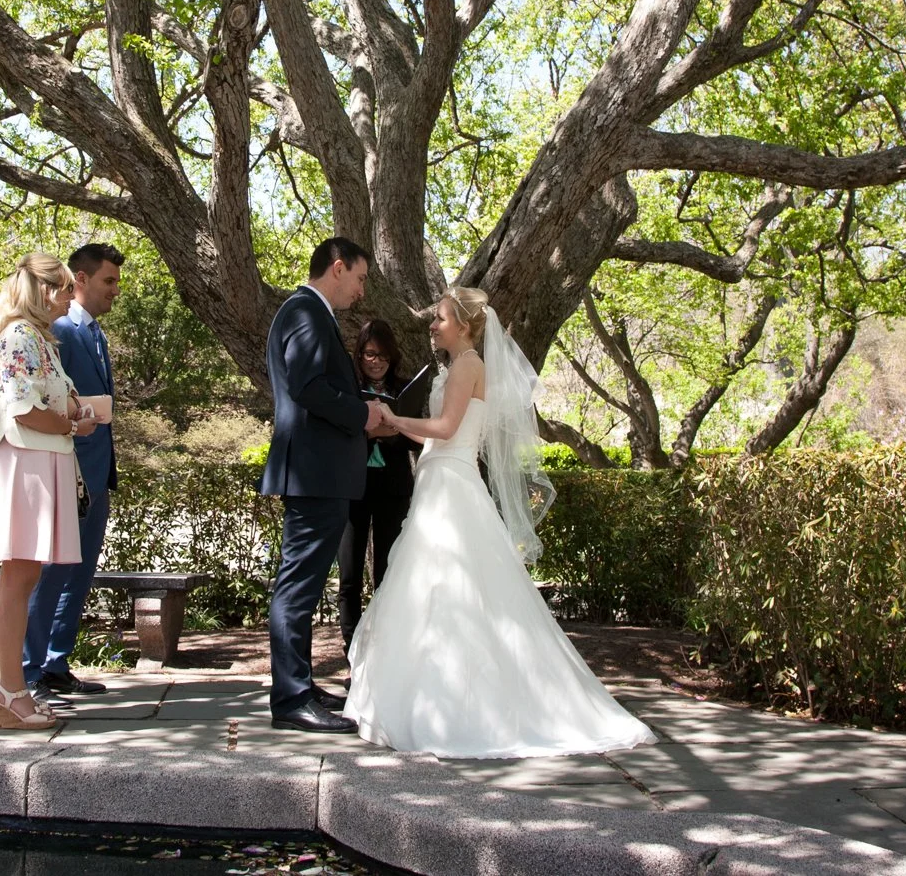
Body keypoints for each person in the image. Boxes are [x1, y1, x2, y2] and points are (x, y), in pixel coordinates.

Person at [344, 287, 655, 758]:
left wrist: (391, 414)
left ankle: (456, 706)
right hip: (439, 479)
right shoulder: (457, 366)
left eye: (441, 318)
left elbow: (446, 430)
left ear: (465, 326)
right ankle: (432, 694)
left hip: (451, 484)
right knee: (434, 590)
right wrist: (388, 424)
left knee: (449, 590)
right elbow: (436, 427)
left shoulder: (469, 365)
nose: (433, 324)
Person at [0, 252, 99, 730]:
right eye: (62, 287)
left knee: (24, 577)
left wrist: (75, 416)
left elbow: (54, 401)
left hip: (40, 464)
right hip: (25, 465)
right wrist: (71, 423)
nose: (69, 295)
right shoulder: (19, 336)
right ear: (42, 289)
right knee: (18, 579)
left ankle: (10, 691)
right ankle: (10, 691)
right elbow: (23, 411)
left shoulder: (40, 340)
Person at [260, 235, 387, 733]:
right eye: (359, 278)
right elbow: (308, 388)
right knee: (298, 586)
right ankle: (290, 700)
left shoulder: (309, 313)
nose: (360, 290)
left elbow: (319, 386)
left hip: (319, 469)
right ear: (337, 268)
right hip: (315, 471)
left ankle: (299, 683)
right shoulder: (306, 312)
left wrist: (365, 404)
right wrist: (362, 414)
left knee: (305, 584)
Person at [24, 242, 124, 699]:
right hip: (68, 472)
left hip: (97, 475)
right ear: (79, 280)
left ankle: (55, 663)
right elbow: (42, 400)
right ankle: (28, 670)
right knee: (51, 571)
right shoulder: (60, 330)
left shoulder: (96, 334)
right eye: (109, 280)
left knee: (78, 572)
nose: (115, 290)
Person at [336, 318, 422, 651]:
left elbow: (417, 441)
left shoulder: (403, 389)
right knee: (350, 574)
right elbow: (337, 435)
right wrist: (369, 431)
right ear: (359, 354)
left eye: (383, 356)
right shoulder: (346, 389)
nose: (376, 361)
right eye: (370, 354)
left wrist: (394, 431)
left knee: (387, 572)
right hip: (353, 489)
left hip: (393, 489)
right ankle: (352, 647)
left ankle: (383, 649)